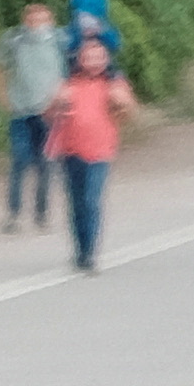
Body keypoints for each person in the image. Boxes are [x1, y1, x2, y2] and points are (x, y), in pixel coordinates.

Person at [52, 27, 129, 270]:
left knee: (91, 200)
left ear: (106, 59)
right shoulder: (69, 83)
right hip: (71, 150)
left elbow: (128, 111)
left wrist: (120, 101)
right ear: (80, 59)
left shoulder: (113, 82)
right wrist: (58, 101)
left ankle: (90, 253)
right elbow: (49, 114)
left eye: (99, 56)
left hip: (100, 151)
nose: (94, 61)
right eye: (89, 57)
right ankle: (80, 249)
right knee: (76, 202)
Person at [5, 4, 68, 229]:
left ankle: (41, 213)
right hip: (21, 111)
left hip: (50, 113)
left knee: (46, 164)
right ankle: (13, 214)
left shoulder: (61, 40)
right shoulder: (14, 40)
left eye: (41, 18)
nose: (36, 23)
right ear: (25, 19)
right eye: (32, 18)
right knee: (19, 161)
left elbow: (72, 68)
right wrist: (3, 96)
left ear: (50, 20)